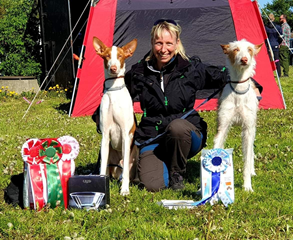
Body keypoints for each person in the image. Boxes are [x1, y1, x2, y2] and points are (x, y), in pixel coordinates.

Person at [92, 19, 263, 192]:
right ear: (152, 43)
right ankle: (163, 163)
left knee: (177, 127)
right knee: (152, 184)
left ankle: (177, 173)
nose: (163, 49)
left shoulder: (191, 68)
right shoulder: (139, 72)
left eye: (168, 43)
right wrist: (100, 115)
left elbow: (225, 74)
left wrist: (253, 84)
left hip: (186, 134)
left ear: (177, 43)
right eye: (159, 43)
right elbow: (116, 91)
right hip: (154, 136)